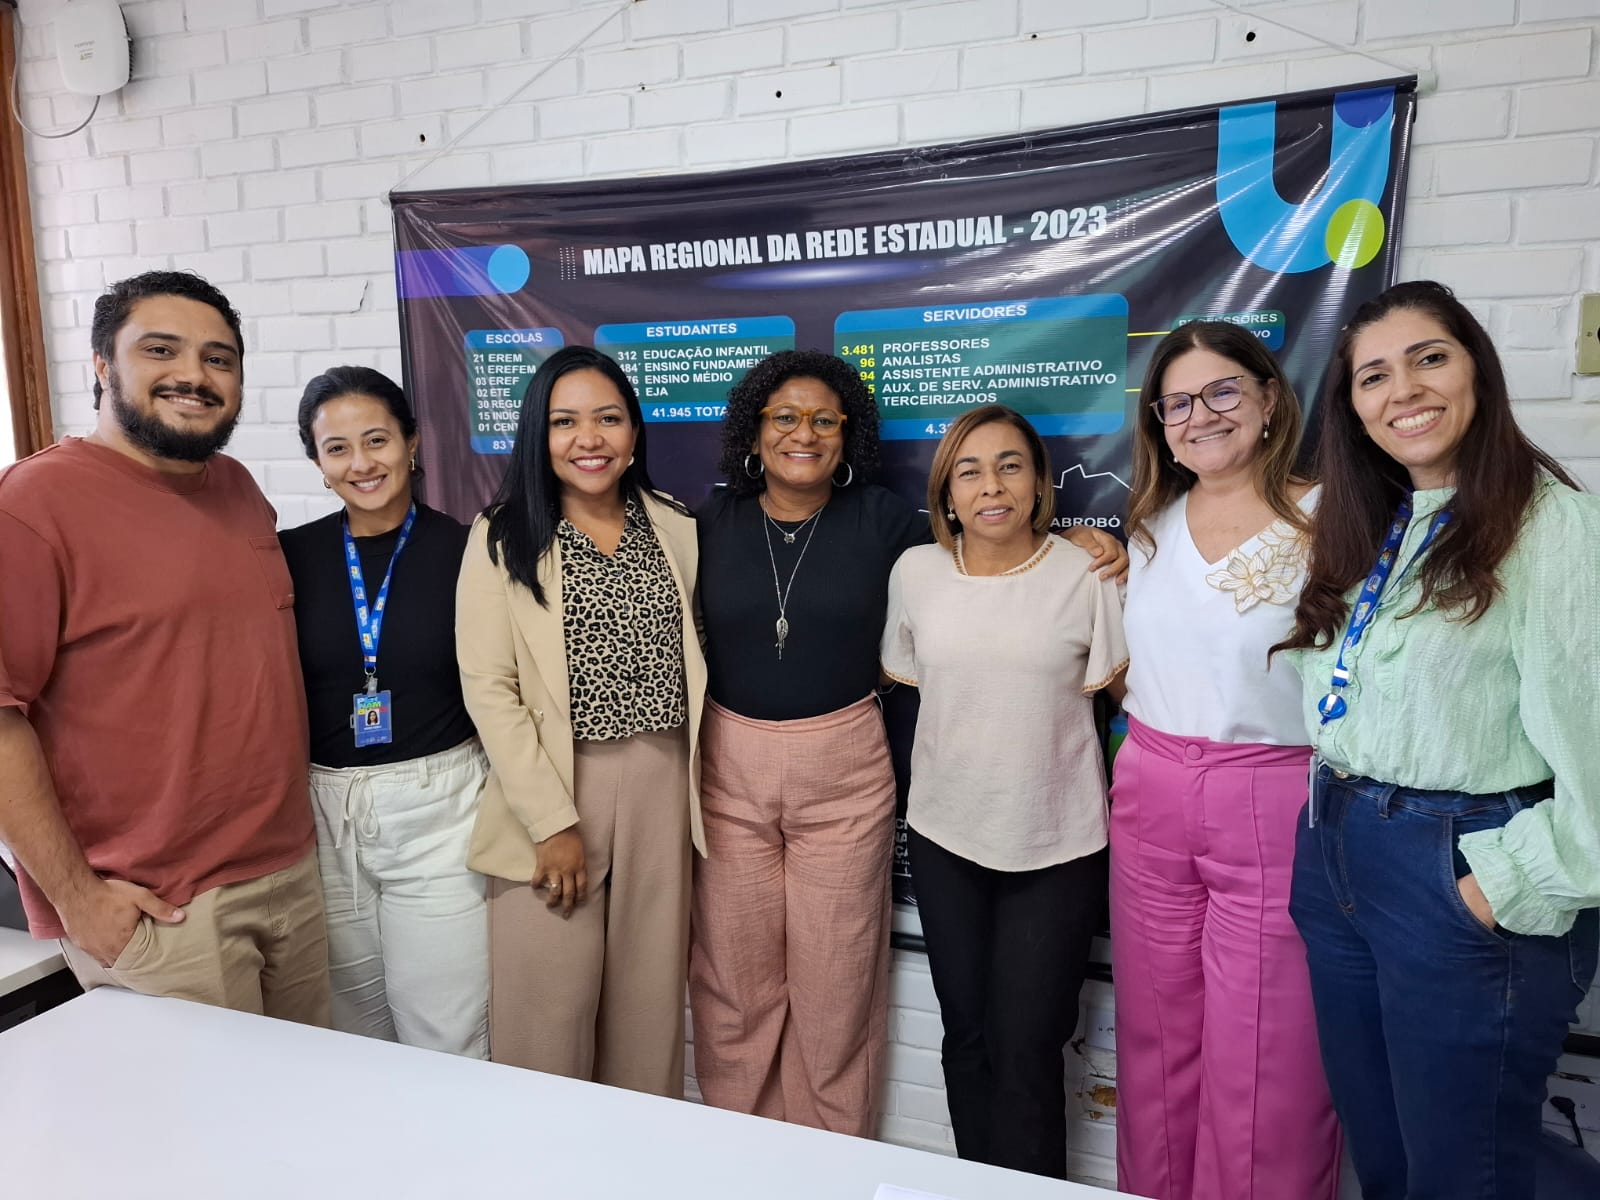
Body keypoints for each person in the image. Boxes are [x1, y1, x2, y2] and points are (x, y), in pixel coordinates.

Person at [689, 352, 1126, 1136]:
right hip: (730, 772)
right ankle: (739, 1158)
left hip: (846, 774)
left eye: (825, 419)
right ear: (754, 433)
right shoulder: (705, 525)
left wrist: (1091, 542)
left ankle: (833, 1166)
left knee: (836, 986)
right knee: (735, 989)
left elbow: (996, 549)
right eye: (785, 417)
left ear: (847, 435)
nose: (805, 433)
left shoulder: (891, 526)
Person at [1278, 280, 1600, 1199]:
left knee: (1465, 1172)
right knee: (1385, 1160)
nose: (1402, 390)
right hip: (1338, 852)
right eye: (1372, 376)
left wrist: (1500, 887)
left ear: (1477, 371)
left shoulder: (1555, 530)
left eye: (1429, 358)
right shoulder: (1370, 524)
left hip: (1458, 866)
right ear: (1352, 408)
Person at [0, 270, 329, 1023]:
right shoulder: (31, 505)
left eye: (219, 358)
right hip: (161, 913)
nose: (194, 375)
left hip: (290, 876)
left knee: (309, 1127)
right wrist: (80, 901)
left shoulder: (239, 487)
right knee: (201, 1136)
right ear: (103, 365)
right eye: (161, 350)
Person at [1111, 322, 1339, 1200]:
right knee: (1157, 1046)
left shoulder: (1331, 517)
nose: (1200, 416)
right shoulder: (1147, 525)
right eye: (1177, 403)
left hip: (1274, 797)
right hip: (1150, 791)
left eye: (1223, 392)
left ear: (1271, 397)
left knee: (1268, 1065)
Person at [880, 404, 1126, 1178]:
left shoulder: (1085, 575)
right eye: (970, 470)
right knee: (967, 1037)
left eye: (1011, 465)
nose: (992, 485)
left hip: (1058, 845)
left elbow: (1127, 699)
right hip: (948, 835)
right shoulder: (914, 573)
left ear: (1040, 483)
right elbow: (909, 678)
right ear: (947, 493)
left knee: (1027, 1048)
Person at [456, 345, 704, 1097]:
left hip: (664, 782)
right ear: (539, 434)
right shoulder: (501, 535)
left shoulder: (676, 525)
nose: (588, 438)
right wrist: (552, 823)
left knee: (648, 1011)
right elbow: (489, 689)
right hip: (557, 789)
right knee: (549, 1019)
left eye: (608, 418)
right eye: (565, 421)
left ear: (634, 434)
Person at [280, 366, 488, 1057]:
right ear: (317, 462)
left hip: (440, 812)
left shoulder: (468, 552)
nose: (361, 463)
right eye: (336, 448)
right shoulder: (290, 557)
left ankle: (465, 1165)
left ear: (414, 443)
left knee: (447, 1032)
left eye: (377, 440)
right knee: (351, 1033)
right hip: (323, 815)